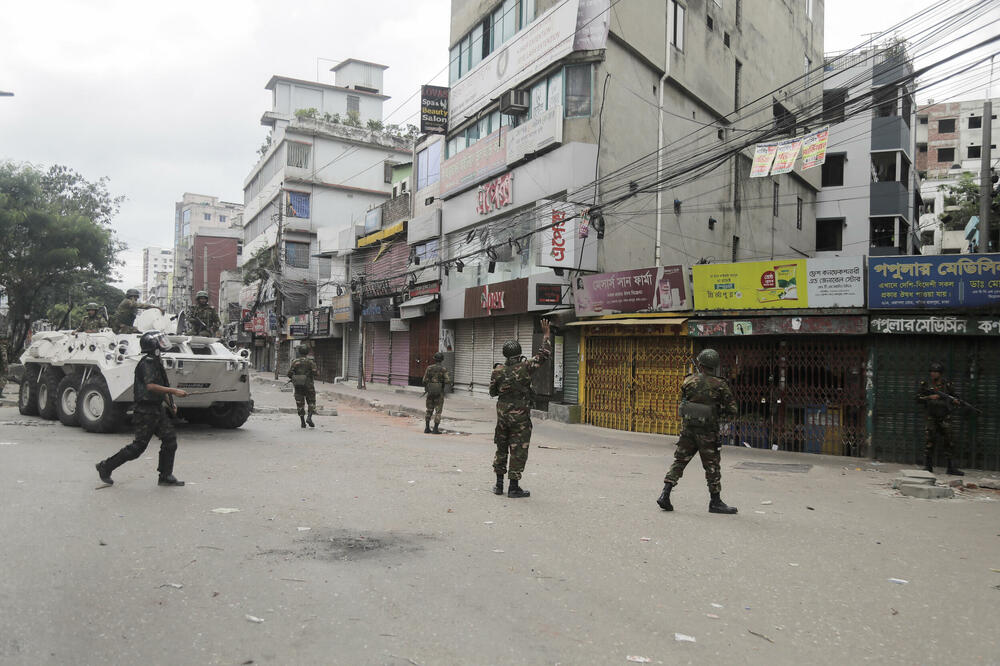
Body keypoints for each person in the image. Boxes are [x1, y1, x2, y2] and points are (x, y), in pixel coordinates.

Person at [95, 330, 187, 487]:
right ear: (153, 346)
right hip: (145, 411)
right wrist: (174, 392)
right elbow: (151, 386)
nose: (163, 344)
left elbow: (161, 386)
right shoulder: (147, 362)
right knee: (138, 447)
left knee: (170, 440)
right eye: (160, 342)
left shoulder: (156, 361)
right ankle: (105, 466)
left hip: (156, 409)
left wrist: (170, 402)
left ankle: (165, 475)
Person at [657, 348, 739, 514]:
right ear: (714, 365)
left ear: (700, 364)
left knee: (680, 461)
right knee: (712, 465)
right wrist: (716, 414)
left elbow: (684, 402)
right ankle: (715, 502)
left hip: (688, 429)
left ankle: (665, 493)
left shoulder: (688, 381)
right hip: (708, 432)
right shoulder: (720, 384)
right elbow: (732, 410)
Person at [489, 319, 552, 499]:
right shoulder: (526, 367)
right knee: (518, 449)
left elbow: (492, 392)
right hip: (520, 417)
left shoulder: (497, 371)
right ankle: (514, 487)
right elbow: (544, 354)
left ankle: (499, 485)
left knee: (501, 448)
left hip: (502, 416)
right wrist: (546, 334)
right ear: (519, 353)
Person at [916, 362, 963, 476]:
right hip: (931, 417)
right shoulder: (925, 385)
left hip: (944, 417)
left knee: (949, 441)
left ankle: (951, 467)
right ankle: (928, 466)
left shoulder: (947, 385)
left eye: (936, 372)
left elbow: (956, 398)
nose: (933, 373)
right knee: (929, 441)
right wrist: (929, 397)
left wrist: (955, 401)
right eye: (932, 371)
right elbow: (917, 398)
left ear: (940, 374)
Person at [287, 344, 317, 428]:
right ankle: (309, 417)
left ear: (299, 352)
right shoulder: (311, 362)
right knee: (311, 401)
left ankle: (302, 422)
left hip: (298, 385)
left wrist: (296, 377)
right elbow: (316, 373)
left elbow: (289, 373)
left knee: (300, 403)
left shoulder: (295, 362)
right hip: (309, 385)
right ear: (307, 352)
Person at [422, 351, 452, 434]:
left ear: (434, 359)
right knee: (438, 411)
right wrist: (440, 382)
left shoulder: (429, 368)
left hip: (430, 392)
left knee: (429, 409)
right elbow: (448, 381)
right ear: (442, 359)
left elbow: (424, 380)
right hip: (439, 393)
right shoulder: (443, 369)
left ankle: (427, 428)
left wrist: (429, 385)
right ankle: (435, 429)